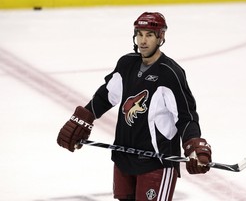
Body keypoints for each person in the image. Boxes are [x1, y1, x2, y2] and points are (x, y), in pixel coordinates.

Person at [57, 12, 212, 201]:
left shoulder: (170, 73)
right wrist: (85, 117)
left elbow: (186, 117)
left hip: (156, 163)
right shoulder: (126, 64)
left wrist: (193, 144)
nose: (143, 41)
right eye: (139, 34)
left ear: (160, 37)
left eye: (149, 34)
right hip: (123, 158)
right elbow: (105, 96)